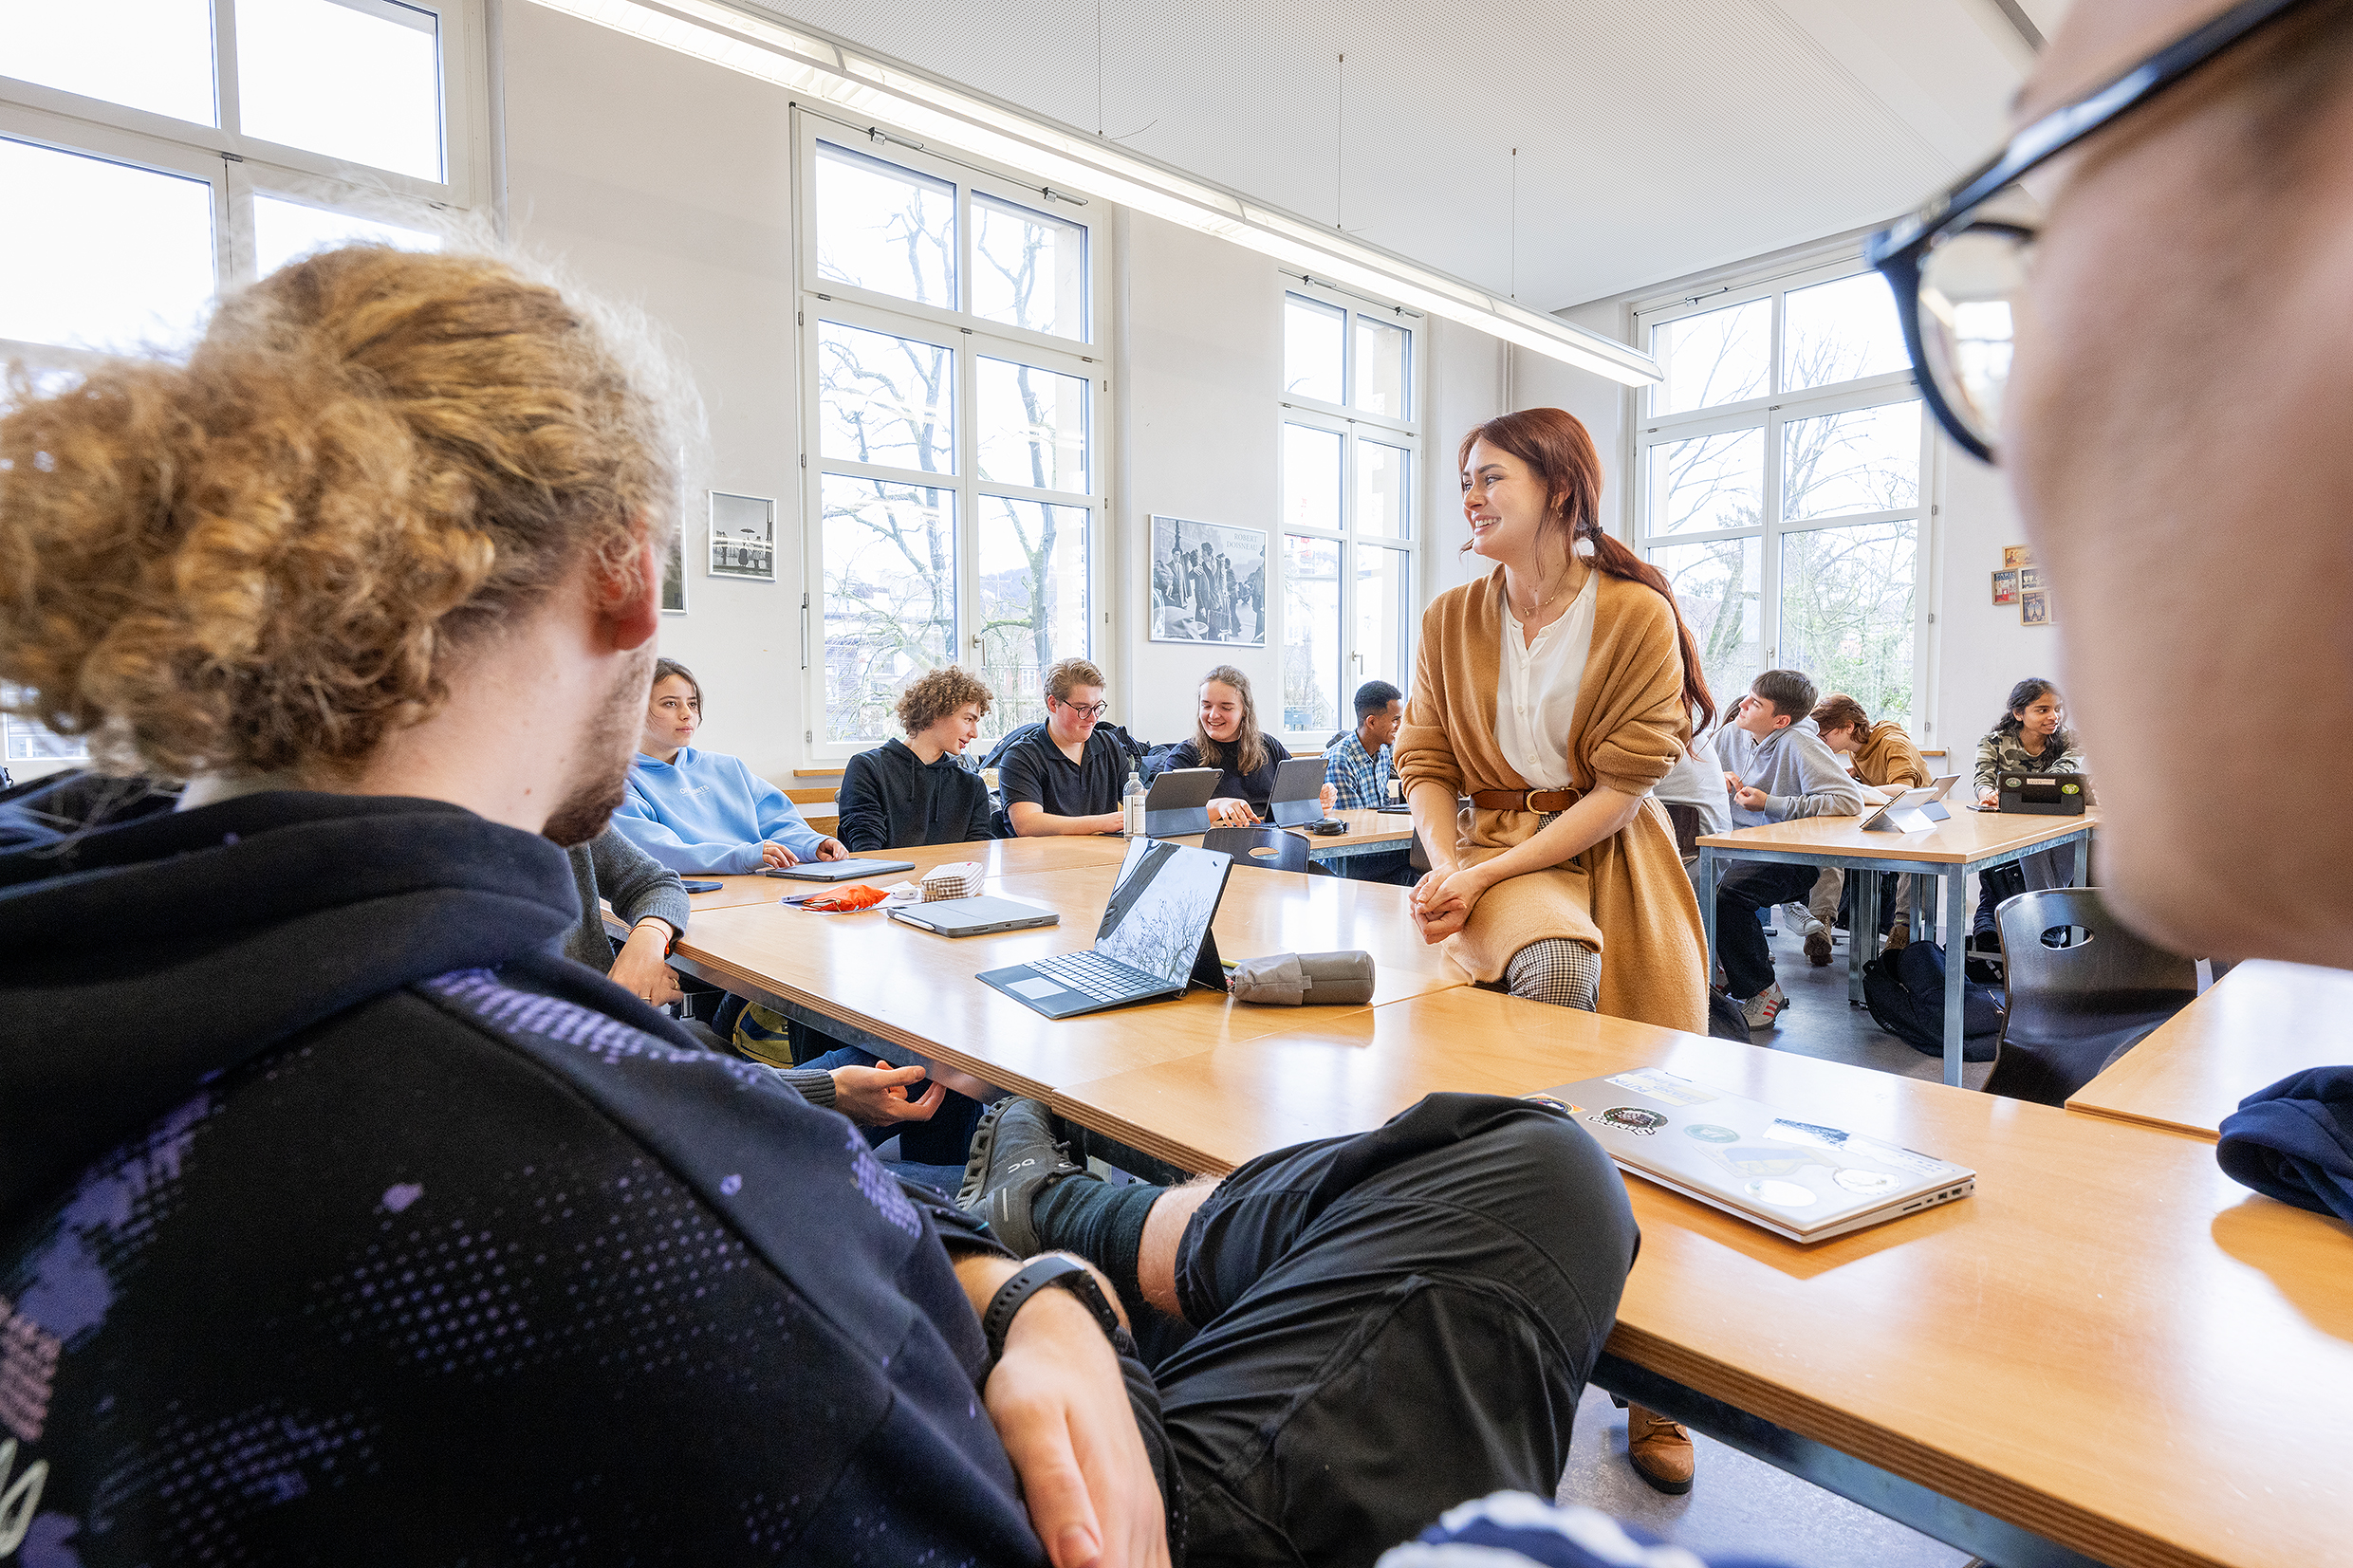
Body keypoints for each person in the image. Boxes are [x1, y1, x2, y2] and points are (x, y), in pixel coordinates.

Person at [0, 245, 1664, 1565]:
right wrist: (1051, 1320)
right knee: (1531, 1168)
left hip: (887, 1337)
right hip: (1090, 1507)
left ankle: (1079, 1224)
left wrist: (1026, 1293)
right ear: (630, 572)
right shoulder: (605, 1171)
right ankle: (1082, 1220)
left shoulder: (112, 949)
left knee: (1317, 1188)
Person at [1396, 408, 1714, 1497]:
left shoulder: (1634, 613)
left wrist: (1477, 874)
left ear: (1558, 490)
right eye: (1464, 482)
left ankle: (1657, 1386)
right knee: (1533, 1075)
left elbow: (1624, 789)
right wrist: (1452, 865)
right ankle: (1511, 1338)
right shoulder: (1449, 617)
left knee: (1646, 1124)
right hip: (1492, 861)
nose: (1471, 499)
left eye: (1489, 478)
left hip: (1611, 860)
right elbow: (1425, 759)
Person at [1708, 670, 1864, 1028]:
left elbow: (1846, 799)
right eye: (1747, 696)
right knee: (1691, 882)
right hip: (1735, 846)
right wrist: (1716, 778)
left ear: (1780, 720)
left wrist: (1771, 803)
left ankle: (1763, 991)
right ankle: (1724, 971)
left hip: (1789, 857)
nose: (1742, 705)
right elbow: (1694, 770)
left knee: (1728, 897)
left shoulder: (1800, 743)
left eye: (1755, 703)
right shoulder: (1732, 734)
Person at [614, 656, 846, 872]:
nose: (687, 714)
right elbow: (658, 851)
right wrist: (744, 856)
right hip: (694, 896)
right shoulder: (616, 785)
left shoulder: (728, 768)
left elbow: (779, 821)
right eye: (670, 704)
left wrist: (812, 844)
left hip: (759, 887)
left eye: (692, 704)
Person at [1784, 694, 1932, 965]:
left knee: (1915, 858)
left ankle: (1902, 928)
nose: (1821, 742)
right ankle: (1820, 924)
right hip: (1877, 818)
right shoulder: (1855, 749)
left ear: (1848, 727)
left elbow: (1904, 789)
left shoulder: (1891, 742)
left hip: (1914, 820)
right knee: (1827, 850)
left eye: (1825, 735)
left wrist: (1852, 790)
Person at [1967, 678, 2092, 945]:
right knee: (2032, 841)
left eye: (2057, 708)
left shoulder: (2070, 740)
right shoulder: (1993, 742)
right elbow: (1982, 779)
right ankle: (2052, 925)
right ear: (2018, 713)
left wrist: (2027, 791)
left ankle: (2046, 925)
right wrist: (1987, 795)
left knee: (2061, 838)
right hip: (2014, 826)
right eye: (2043, 709)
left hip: (2059, 824)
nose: (2054, 716)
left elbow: (2061, 774)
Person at [1150, 664, 1336, 829]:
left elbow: (1297, 801)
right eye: (1206, 706)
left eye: (1226, 708)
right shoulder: (1184, 756)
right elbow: (1165, 818)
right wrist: (1218, 806)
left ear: (1244, 711)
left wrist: (1318, 798)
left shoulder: (1269, 747)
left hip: (1273, 844)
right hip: (1214, 852)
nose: (1213, 715)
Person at [836, 664, 996, 852]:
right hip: (886, 881)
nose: (975, 733)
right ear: (936, 712)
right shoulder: (867, 769)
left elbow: (977, 858)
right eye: (968, 719)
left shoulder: (971, 786)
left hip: (949, 882)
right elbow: (868, 854)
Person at [998, 655, 1134, 835]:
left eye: (1098, 707)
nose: (1093, 718)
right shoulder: (1020, 757)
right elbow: (1028, 824)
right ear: (1053, 704)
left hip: (1102, 857)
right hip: (1045, 860)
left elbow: (1137, 799)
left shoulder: (1109, 745)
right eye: (1082, 708)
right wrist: (1102, 823)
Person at [567, 826, 690, 1008]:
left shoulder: (566, 816)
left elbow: (656, 883)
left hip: (608, 1014)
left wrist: (648, 939)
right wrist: (629, 997)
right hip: (593, 1019)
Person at [1327, 678, 1413, 884]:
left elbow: (1381, 810)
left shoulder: (1383, 752)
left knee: (1422, 862)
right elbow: (1353, 827)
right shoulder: (1341, 759)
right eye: (1395, 719)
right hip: (1350, 856)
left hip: (1376, 847)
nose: (1400, 726)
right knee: (1419, 858)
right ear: (1372, 722)